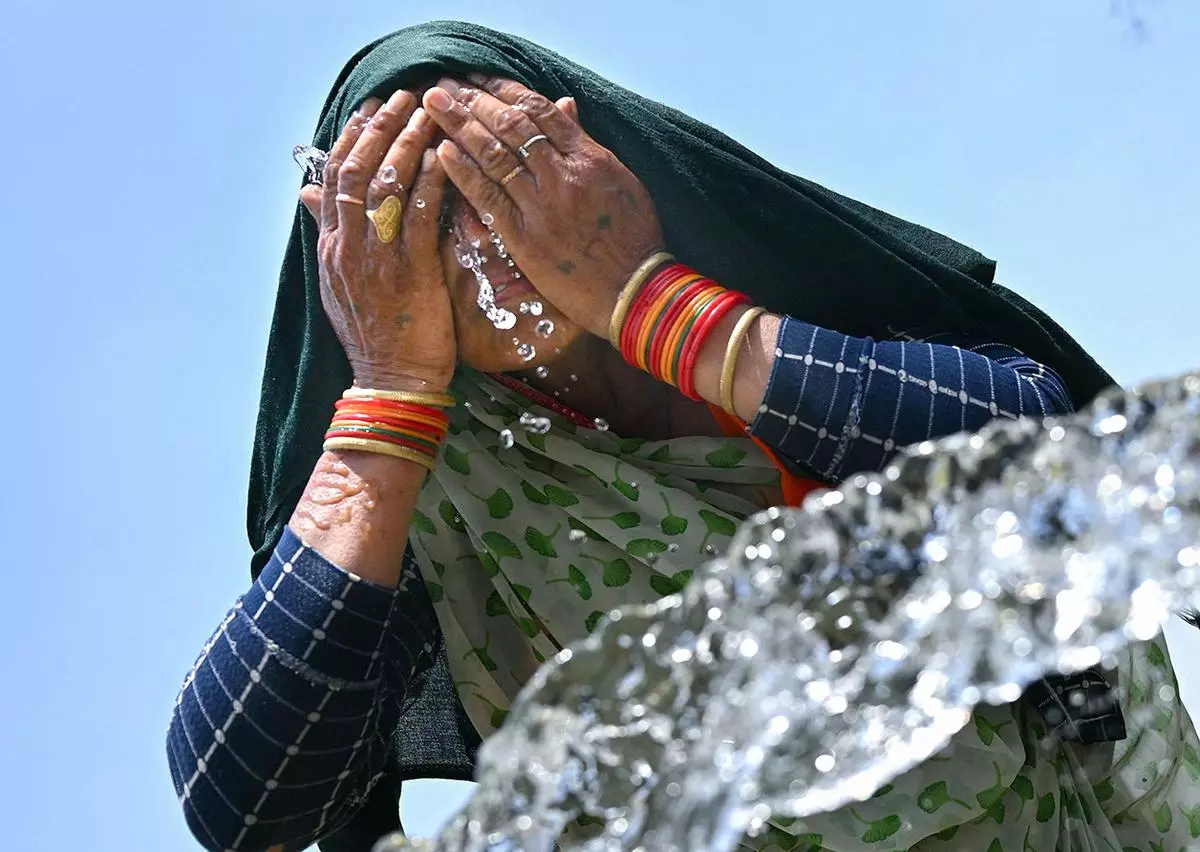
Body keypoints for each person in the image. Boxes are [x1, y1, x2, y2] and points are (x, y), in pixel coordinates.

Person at [167, 21, 1199, 852]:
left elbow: (1058, 463)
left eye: (509, 169)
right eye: (429, 213)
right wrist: (389, 392)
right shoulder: (448, 499)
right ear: (359, 272)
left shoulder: (768, 291)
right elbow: (244, 804)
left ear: (593, 153)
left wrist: (649, 302)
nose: (488, 239)